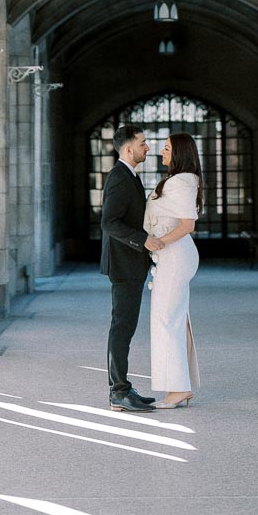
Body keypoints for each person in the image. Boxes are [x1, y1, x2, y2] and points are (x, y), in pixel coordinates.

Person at [100, 124, 166, 412]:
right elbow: (109, 222)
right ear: (128, 148)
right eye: (143, 143)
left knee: (126, 327)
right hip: (124, 265)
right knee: (122, 327)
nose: (148, 147)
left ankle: (124, 388)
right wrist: (145, 241)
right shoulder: (119, 178)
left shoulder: (130, 176)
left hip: (131, 264)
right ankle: (118, 392)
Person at [144, 132, 202, 409]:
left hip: (176, 254)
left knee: (167, 319)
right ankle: (180, 385)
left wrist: (159, 242)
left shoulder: (181, 181)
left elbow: (188, 224)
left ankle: (178, 389)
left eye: (166, 148)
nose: (161, 152)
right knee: (172, 318)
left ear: (179, 152)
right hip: (173, 255)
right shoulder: (180, 180)